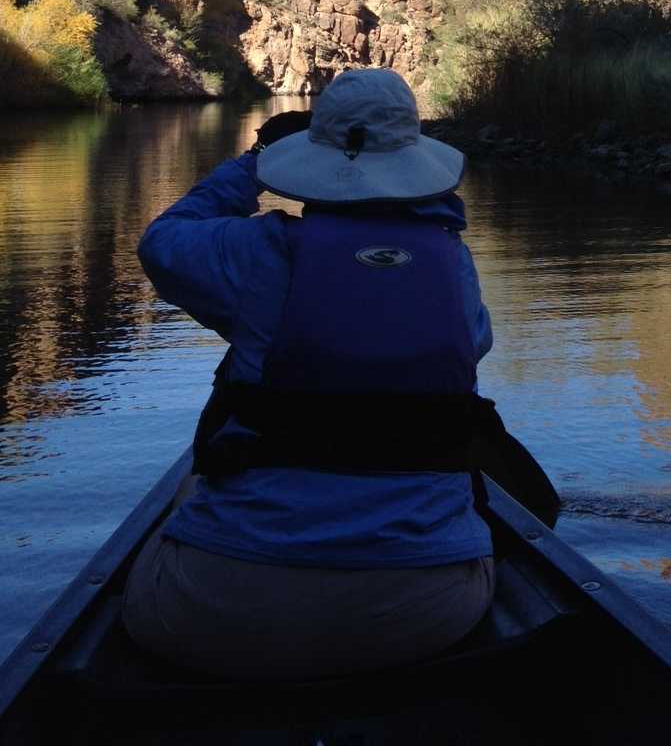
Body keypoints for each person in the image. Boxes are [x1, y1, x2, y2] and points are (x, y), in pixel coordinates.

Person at [122, 68, 499, 680]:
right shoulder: (454, 269)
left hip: (219, 611)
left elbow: (163, 241)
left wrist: (255, 161)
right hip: (422, 616)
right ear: (412, 159)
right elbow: (462, 343)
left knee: (192, 489)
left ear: (314, 159)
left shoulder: (256, 254)